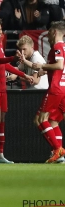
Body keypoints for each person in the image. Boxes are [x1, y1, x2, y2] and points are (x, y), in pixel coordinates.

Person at [0, 17, 34, 164]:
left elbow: (4, 66)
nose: (0, 32)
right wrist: (11, 57)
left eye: (1, 29)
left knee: (2, 120)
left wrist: (24, 75)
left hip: (1, 85)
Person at [31, 21, 65, 163]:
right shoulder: (63, 47)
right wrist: (43, 69)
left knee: (40, 119)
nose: (49, 35)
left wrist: (43, 65)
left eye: (50, 32)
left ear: (54, 32)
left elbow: (59, 65)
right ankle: (60, 156)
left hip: (55, 89)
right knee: (53, 121)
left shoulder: (57, 46)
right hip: (63, 88)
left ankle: (58, 149)